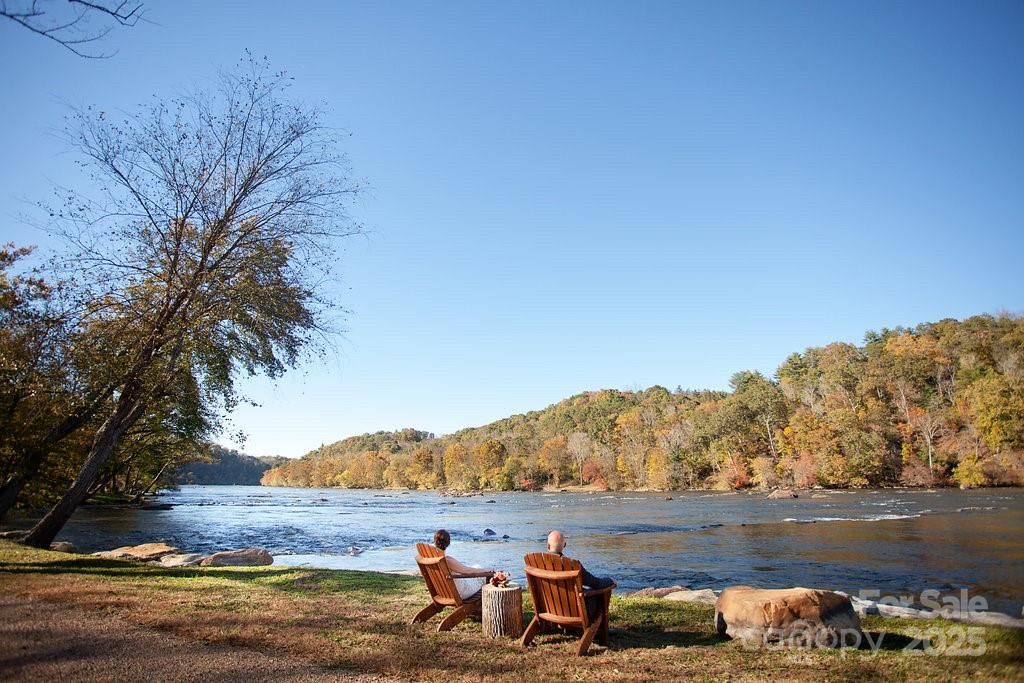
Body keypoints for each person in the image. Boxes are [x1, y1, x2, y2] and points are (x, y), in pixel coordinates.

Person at [545, 529, 616, 620]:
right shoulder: (573, 565)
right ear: (565, 545)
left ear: (548, 546)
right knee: (601, 593)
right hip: (575, 612)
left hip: (549, 609)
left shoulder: (537, 564)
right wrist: (610, 581)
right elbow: (596, 583)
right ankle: (599, 630)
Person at [432, 529, 495, 600]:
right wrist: (485, 570)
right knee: (484, 575)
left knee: (477, 567)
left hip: (443, 591)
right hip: (460, 593)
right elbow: (466, 570)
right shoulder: (447, 561)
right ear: (448, 543)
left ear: (435, 542)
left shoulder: (431, 559)